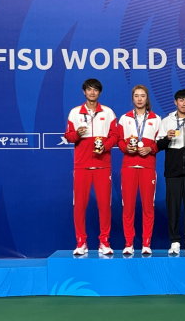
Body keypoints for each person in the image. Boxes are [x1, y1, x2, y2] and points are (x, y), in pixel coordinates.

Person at [64, 79, 118, 255]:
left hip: (103, 166)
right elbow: (68, 136)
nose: (92, 92)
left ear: (99, 93)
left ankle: (104, 242)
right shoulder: (74, 113)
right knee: (79, 205)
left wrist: (106, 146)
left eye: (95, 90)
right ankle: (81, 242)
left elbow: (114, 136)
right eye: (89, 89)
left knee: (104, 205)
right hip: (82, 166)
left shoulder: (108, 113)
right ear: (84, 92)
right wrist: (76, 134)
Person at [156, 89, 185, 255]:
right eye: (181, 100)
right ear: (175, 102)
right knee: (173, 207)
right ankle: (174, 241)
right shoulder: (166, 121)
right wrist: (167, 137)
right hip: (173, 170)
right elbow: (158, 146)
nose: (184, 103)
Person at [117, 85, 161, 255]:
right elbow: (119, 140)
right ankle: (128, 243)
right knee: (128, 207)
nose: (140, 99)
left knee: (148, 207)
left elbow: (161, 142)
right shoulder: (124, 118)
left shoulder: (156, 119)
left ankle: (146, 243)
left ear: (147, 98)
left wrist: (150, 149)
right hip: (128, 166)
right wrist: (125, 148)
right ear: (133, 98)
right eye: (137, 96)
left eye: (143, 96)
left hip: (147, 167)